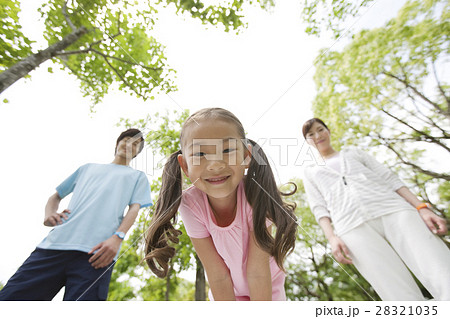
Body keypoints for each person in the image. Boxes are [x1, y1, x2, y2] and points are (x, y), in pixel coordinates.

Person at [144, 108, 297, 301]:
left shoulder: (255, 192)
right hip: (226, 291)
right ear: (184, 166)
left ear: (246, 156)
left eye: (227, 150)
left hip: (268, 287)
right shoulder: (190, 204)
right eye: (200, 154)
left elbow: (257, 272)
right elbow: (217, 275)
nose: (215, 164)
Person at [301, 118, 450, 301]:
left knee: (437, 265)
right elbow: (319, 208)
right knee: (393, 289)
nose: (317, 136)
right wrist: (332, 238)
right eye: (311, 134)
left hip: (394, 209)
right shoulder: (310, 171)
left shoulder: (354, 153)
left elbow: (390, 178)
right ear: (307, 141)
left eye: (320, 129)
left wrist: (421, 207)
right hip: (351, 226)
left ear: (328, 131)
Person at [0, 129, 152, 301]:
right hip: (54, 247)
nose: (129, 144)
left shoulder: (137, 177)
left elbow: (134, 209)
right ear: (117, 143)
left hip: (97, 253)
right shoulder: (87, 168)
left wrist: (118, 237)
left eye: (135, 144)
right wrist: (50, 214)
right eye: (126, 140)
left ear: (137, 153)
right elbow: (55, 196)